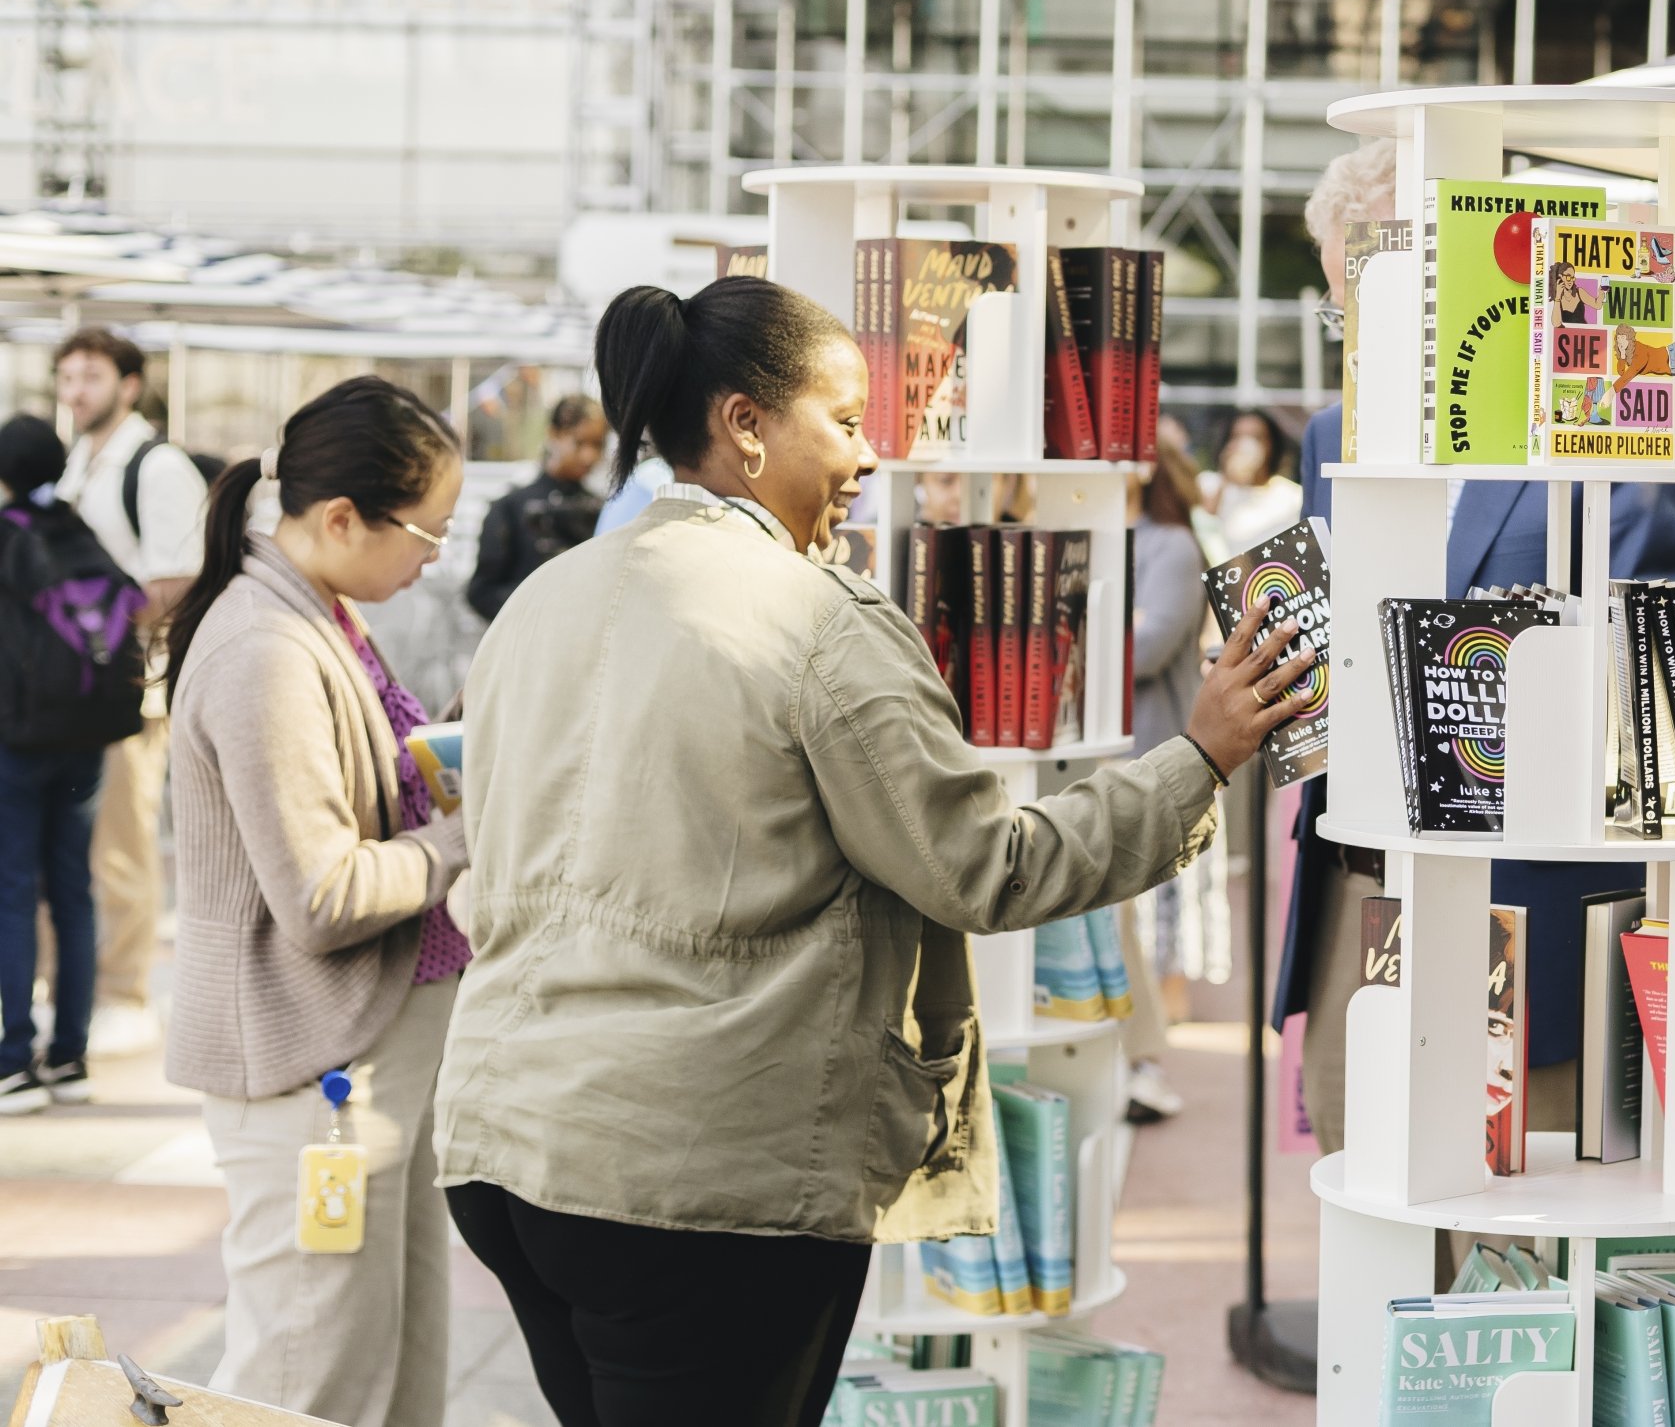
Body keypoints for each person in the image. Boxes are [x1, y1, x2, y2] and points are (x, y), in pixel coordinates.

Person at [439, 276, 1306, 1427]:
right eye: (844, 423)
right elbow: (984, 865)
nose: (865, 460)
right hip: (698, 1172)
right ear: (745, 425)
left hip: (509, 1146)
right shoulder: (815, 618)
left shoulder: (542, 601)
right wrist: (1197, 756)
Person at [1276, 141, 1675, 1154]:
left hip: (1520, 884)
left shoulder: (1594, 432)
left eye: (1374, 303)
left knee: (1510, 1182)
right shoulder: (1332, 434)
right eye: (1343, 308)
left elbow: (1643, 643)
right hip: (1360, 866)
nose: (1357, 337)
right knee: (1358, 1151)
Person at [162, 377, 470, 1427]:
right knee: (308, 1384)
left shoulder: (319, 617)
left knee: (389, 1365)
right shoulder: (266, 649)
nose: (436, 556)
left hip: (357, 1062)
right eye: (429, 530)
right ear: (343, 519)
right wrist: (462, 839)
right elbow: (323, 893)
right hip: (315, 1072)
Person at [53, 328, 207, 1059]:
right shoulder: (81, 459)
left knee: (121, 844)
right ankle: (75, 988)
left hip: (129, 685)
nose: (75, 390)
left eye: (89, 375)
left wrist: (89, 620)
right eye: (67, 376)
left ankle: (125, 992)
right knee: (70, 845)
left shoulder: (156, 465)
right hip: (70, 691)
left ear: (129, 383)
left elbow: (176, 578)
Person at [0, 416, 138, 1113]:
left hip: (17, 741)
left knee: (14, 893)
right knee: (73, 889)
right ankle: (71, 1056)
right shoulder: (80, 530)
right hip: (86, 737)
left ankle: (13, 1059)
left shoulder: (7, 534)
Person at [1122, 440, 1217, 1122]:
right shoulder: (1120, 536)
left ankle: (1157, 1035)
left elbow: (1150, 647)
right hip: (1121, 747)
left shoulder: (1174, 547)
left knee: (1160, 899)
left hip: (1157, 743)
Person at [466, 395, 608, 620]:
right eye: (579, 442)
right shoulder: (511, 507)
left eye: (598, 445)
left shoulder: (603, 510)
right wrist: (537, 607)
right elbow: (481, 593)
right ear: (554, 435)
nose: (589, 456)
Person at [1208, 407, 1302, 551]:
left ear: (1271, 444)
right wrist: (1226, 477)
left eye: (1256, 437)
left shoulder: (1292, 496)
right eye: (1237, 437)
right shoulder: (1212, 486)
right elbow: (1204, 526)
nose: (1245, 445)